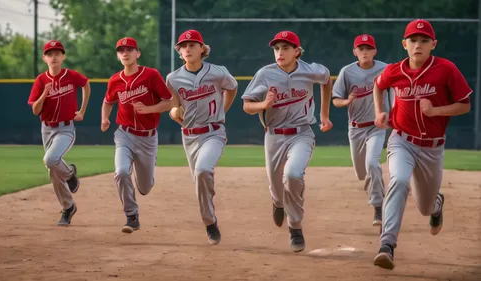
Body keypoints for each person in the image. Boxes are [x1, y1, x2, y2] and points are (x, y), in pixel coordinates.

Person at [372, 19, 472, 270]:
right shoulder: (395, 70)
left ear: (433, 44)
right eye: (413, 40)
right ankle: (387, 245)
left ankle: (437, 205)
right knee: (399, 180)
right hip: (401, 141)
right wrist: (380, 111)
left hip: (432, 148)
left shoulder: (446, 69)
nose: (418, 45)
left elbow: (465, 104)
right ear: (404, 44)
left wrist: (435, 110)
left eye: (424, 40)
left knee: (425, 208)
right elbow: (378, 85)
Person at [241, 31, 333, 252]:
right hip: (273, 135)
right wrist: (263, 105)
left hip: (302, 133)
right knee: (276, 184)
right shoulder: (265, 74)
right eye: (276, 48)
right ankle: (277, 202)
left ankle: (295, 227)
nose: (280, 52)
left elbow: (327, 79)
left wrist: (324, 114)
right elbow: (247, 106)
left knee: (292, 175)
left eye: (285, 48)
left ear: (297, 52)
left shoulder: (310, 70)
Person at [166, 29, 238, 245]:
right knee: (199, 179)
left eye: (192, 45)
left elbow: (232, 88)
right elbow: (175, 105)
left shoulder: (218, 72)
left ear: (202, 49)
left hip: (213, 132)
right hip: (188, 137)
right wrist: (173, 112)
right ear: (179, 52)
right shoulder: (173, 78)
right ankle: (210, 220)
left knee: (203, 170)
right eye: (183, 46)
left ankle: (209, 222)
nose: (187, 49)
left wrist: (223, 111)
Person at [101, 37, 173, 233]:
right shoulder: (115, 80)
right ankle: (131, 216)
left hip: (148, 138)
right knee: (121, 172)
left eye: (129, 49)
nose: (125, 53)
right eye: (121, 50)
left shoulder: (151, 75)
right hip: (124, 134)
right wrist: (105, 119)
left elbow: (170, 103)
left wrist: (149, 109)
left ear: (137, 54)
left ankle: (147, 178)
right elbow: (108, 102)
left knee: (145, 188)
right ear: (118, 55)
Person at [27, 40, 91, 226]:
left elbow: (86, 84)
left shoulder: (70, 76)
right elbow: (35, 110)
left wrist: (82, 110)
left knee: (50, 159)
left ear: (63, 56)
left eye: (57, 53)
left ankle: (70, 174)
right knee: (53, 170)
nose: (54, 56)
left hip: (65, 128)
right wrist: (44, 94)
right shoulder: (41, 80)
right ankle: (68, 207)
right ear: (44, 58)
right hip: (47, 128)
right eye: (50, 53)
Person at [332, 34, 393, 227]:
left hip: (377, 126)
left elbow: (397, 90)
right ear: (355, 52)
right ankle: (372, 179)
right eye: (361, 49)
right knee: (361, 173)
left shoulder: (385, 69)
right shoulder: (347, 72)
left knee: (372, 162)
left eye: (368, 48)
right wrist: (347, 101)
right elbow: (335, 100)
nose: (364, 52)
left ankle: (377, 207)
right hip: (356, 128)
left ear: (375, 51)